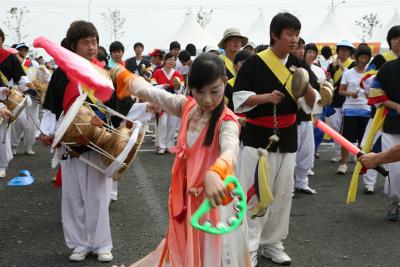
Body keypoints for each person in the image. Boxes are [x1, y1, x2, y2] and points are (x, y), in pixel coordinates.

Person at [111, 52, 250, 266]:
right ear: (190, 88)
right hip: (186, 198)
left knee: (210, 257)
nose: (207, 99)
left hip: (212, 205)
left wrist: (216, 172)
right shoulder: (188, 107)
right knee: (183, 252)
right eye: (199, 91)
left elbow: (230, 150)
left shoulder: (228, 121)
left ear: (225, 82)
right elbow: (153, 93)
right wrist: (124, 76)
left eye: (214, 91)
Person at [39, 20, 148, 263]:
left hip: (100, 143)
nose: (91, 47)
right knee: (73, 198)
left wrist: (148, 107)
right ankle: (79, 244)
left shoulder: (104, 73)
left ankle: (101, 244)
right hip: (70, 144)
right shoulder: (61, 73)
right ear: (73, 46)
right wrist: (48, 132)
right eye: (86, 42)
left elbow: (123, 106)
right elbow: (51, 109)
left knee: (98, 198)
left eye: (95, 42)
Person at [233, 12, 320, 266]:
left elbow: (308, 105)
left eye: (297, 34)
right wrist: (265, 98)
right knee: (254, 194)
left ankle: (273, 243)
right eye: (290, 34)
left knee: (282, 194)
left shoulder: (299, 65)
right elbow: (238, 99)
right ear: (275, 35)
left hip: (289, 137)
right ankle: (247, 246)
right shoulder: (254, 63)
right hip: (258, 138)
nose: (295, 39)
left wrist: (312, 90)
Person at [360, 25, 400, 193]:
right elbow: (366, 82)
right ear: (390, 41)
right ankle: (370, 184)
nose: (398, 41)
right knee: (370, 149)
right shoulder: (382, 60)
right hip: (383, 114)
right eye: (395, 38)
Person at [365, 47, 400, 220]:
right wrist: (396, 106)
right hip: (393, 125)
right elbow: (375, 94)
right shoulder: (388, 68)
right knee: (395, 170)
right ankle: (396, 202)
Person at [0, 28, 33, 178]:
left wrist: (28, 86)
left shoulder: (9, 57)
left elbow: (20, 76)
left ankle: (2, 165)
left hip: (4, 98)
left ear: (2, 39)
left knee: (2, 134)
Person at [293, 42, 322, 194]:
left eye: (302, 48)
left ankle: (302, 182)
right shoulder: (285, 66)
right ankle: (289, 185)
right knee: (291, 154)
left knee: (306, 151)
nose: (300, 51)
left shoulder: (305, 67)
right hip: (291, 118)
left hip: (306, 117)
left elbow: (316, 88)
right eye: (299, 47)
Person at [337, 45, 372, 174]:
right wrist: (350, 94)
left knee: (363, 140)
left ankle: (361, 164)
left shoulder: (370, 75)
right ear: (356, 58)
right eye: (361, 57)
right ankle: (343, 163)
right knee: (346, 139)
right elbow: (341, 91)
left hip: (365, 110)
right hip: (350, 110)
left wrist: (368, 93)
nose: (363, 60)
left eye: (366, 58)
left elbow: (372, 94)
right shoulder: (348, 73)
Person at [327, 40, 356, 165]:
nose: (343, 52)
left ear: (350, 52)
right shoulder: (332, 65)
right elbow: (330, 81)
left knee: (349, 129)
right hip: (334, 100)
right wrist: (328, 78)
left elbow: (353, 78)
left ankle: (353, 152)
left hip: (349, 101)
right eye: (341, 50)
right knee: (334, 127)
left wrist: (342, 67)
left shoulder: (353, 64)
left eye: (346, 50)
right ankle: (338, 153)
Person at [151, 52, 184, 154]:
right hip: (161, 101)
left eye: (173, 60)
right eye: (169, 59)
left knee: (172, 124)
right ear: (165, 60)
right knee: (162, 123)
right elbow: (152, 87)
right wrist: (162, 86)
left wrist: (176, 87)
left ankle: (169, 145)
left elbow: (180, 90)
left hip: (173, 101)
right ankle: (161, 145)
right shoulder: (157, 72)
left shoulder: (177, 74)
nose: (171, 61)